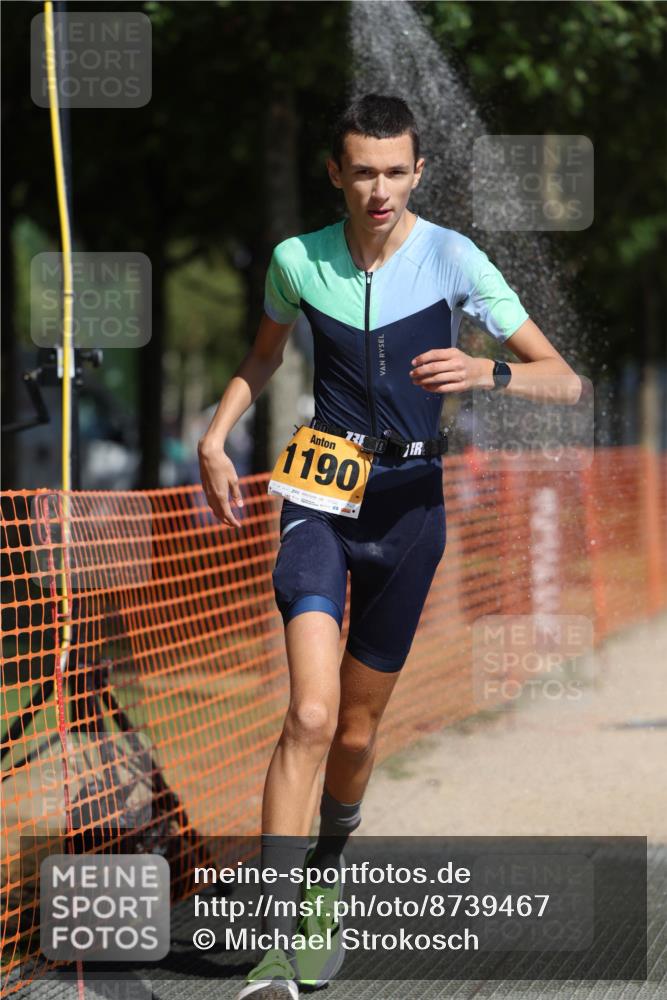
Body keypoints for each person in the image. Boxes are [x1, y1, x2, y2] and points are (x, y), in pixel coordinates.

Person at [198, 93, 581, 1000]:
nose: (379, 190)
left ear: (418, 172)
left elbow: (564, 381)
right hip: (318, 494)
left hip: (411, 508)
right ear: (335, 173)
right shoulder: (296, 261)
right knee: (312, 714)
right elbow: (262, 359)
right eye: (361, 171)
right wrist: (216, 437)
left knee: (359, 731)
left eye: (395, 172)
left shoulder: (454, 256)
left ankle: (329, 860)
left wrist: (488, 371)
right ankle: (273, 945)